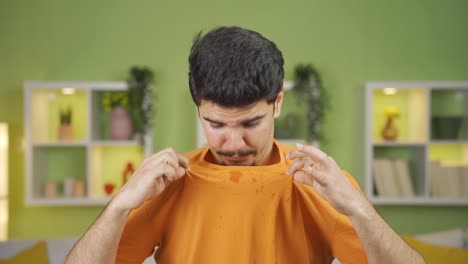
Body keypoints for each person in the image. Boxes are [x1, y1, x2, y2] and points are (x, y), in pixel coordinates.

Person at [66, 26, 424, 264]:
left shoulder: (318, 184)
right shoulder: (170, 183)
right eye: (216, 124)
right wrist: (119, 207)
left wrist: (359, 209)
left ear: (277, 103)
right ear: (199, 110)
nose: (234, 143)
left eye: (251, 123)